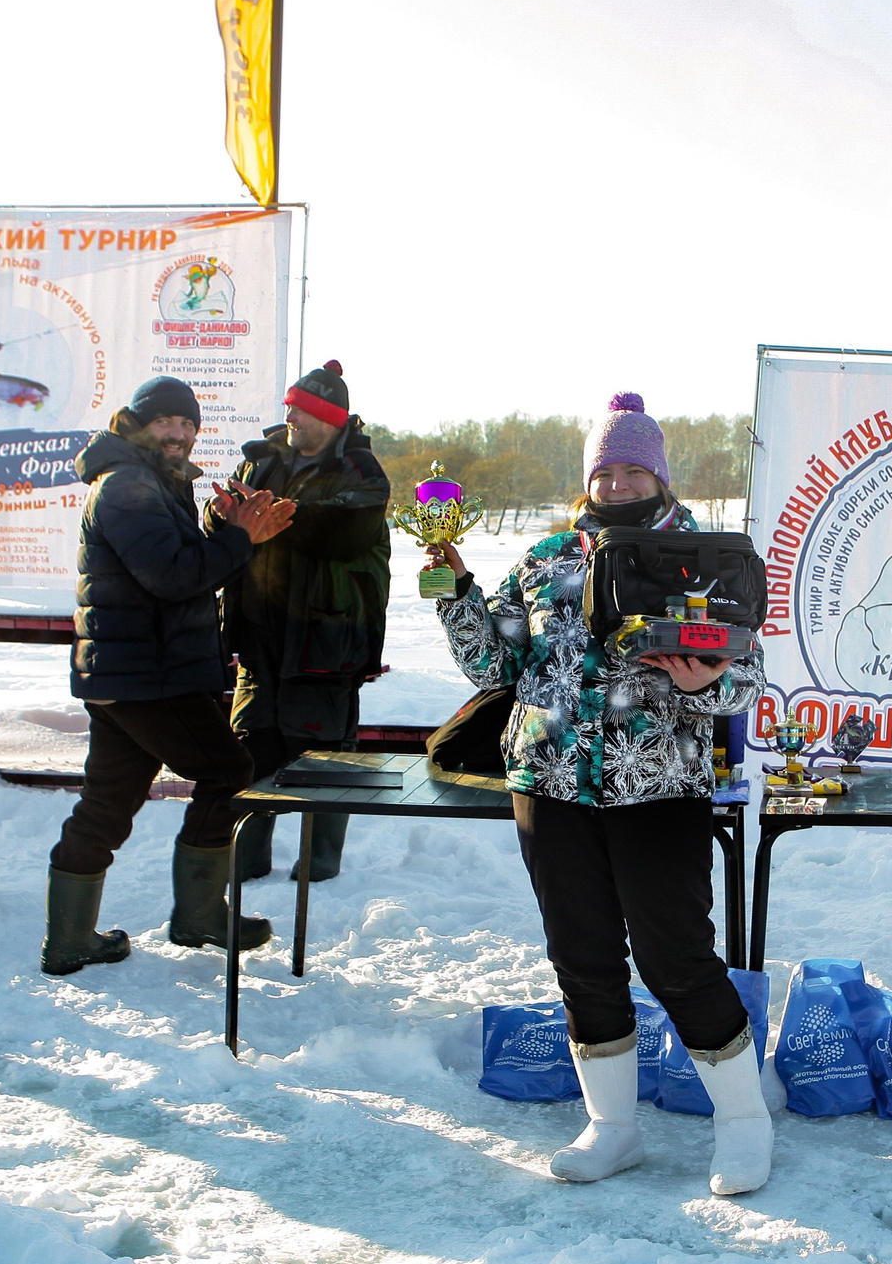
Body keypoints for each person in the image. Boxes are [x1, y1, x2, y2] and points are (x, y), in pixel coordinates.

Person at [430, 392, 772, 1196]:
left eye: (632, 468)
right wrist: (455, 592)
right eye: (604, 470)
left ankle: (745, 1123)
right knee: (582, 958)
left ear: (656, 472)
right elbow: (496, 670)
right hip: (549, 784)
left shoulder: (702, 555)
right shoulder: (547, 557)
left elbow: (747, 678)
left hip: (656, 787)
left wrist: (709, 679)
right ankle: (612, 1126)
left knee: (676, 958)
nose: (617, 483)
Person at [39, 376, 297, 977]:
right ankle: (200, 916)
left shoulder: (149, 480)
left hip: (129, 671)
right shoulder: (128, 483)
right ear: (137, 424)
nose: (179, 434)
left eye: (188, 424)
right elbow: (172, 576)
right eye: (166, 423)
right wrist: (238, 538)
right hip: (147, 674)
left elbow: (168, 567)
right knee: (229, 769)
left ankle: (71, 939)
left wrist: (219, 529)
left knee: (110, 799)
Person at [218, 360, 391, 885]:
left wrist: (267, 516)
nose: (289, 415)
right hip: (259, 633)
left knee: (325, 756)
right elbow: (229, 520)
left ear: (330, 419)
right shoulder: (261, 462)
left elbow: (342, 533)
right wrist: (223, 513)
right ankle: (246, 860)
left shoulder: (363, 471)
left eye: (301, 409)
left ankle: (319, 865)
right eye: (289, 407)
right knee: (250, 747)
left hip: (328, 637)